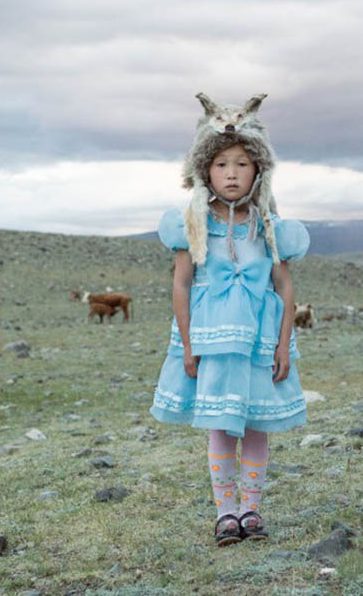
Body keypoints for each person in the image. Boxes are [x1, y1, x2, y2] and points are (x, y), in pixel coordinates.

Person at [150, 93, 310, 546]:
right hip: (212, 340)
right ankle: (225, 513)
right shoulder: (193, 224)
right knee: (221, 424)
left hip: (260, 342)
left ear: (259, 170)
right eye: (222, 164)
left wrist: (283, 345)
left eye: (242, 163)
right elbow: (181, 285)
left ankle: (252, 509)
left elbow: (285, 288)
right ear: (205, 171)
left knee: (257, 423)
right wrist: (187, 344)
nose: (233, 173)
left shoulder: (270, 227)